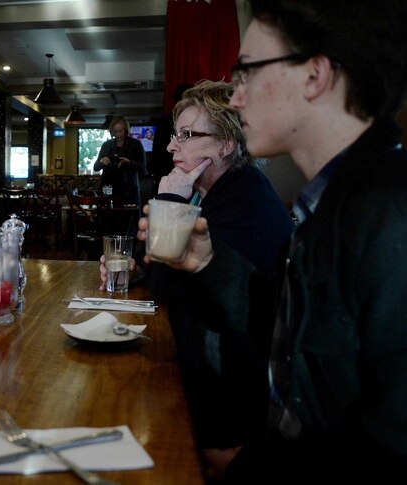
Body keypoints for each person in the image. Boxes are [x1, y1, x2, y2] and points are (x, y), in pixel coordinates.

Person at [138, 1, 407, 481]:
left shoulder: (389, 216)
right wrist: (207, 262)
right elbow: (285, 342)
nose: (236, 98)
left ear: (314, 75)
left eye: (248, 72)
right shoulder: (326, 205)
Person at [133, 80, 295, 450]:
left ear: (226, 144)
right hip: (214, 366)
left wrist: (169, 199)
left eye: (187, 135)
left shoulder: (243, 201)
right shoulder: (217, 190)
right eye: (176, 135)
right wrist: (134, 266)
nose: (173, 145)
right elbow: (160, 267)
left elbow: (165, 285)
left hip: (235, 399)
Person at [93, 115, 147, 204]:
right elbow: (96, 167)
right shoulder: (107, 145)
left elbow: (143, 169)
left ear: (125, 130)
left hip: (128, 190)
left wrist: (129, 162)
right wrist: (102, 161)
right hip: (108, 189)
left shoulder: (135, 144)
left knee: (128, 216)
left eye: (120, 131)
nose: (117, 134)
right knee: (107, 216)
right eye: (115, 131)